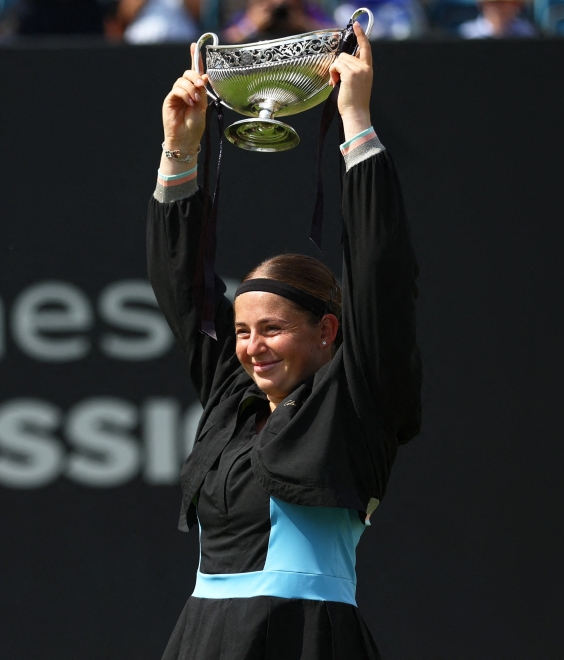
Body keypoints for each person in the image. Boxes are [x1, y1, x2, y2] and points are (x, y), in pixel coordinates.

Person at [147, 22, 421, 659]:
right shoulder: (232, 398)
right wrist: (180, 151)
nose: (251, 347)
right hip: (203, 642)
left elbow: (382, 273)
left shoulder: (360, 397)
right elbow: (182, 292)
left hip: (310, 642)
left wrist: (354, 117)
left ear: (327, 330)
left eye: (272, 329)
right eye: (243, 331)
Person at [458, 0, 536, 38]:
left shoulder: (526, 30)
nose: (498, 8)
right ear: (483, 5)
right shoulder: (467, 32)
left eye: (504, 3)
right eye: (493, 3)